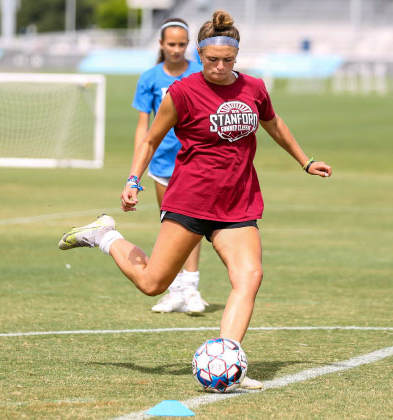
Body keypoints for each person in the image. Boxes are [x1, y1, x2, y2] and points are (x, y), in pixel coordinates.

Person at [59, 10, 332, 391]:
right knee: (153, 284)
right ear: (199, 55)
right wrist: (133, 180)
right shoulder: (182, 92)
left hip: (238, 202)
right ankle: (104, 235)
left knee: (249, 277)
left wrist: (306, 161)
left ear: (237, 57)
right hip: (189, 200)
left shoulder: (254, 88)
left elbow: (274, 124)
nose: (220, 68)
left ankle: (228, 361)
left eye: (228, 61)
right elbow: (151, 139)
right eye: (212, 60)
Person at [131, 17, 208, 314]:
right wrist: (138, 162)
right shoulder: (149, 78)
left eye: (182, 44)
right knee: (170, 224)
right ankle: (174, 289)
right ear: (161, 45)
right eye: (171, 44)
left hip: (195, 162)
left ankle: (191, 287)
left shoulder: (201, 72)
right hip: (162, 163)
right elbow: (144, 127)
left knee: (193, 224)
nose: (176, 49)